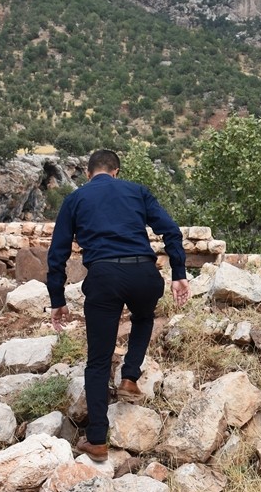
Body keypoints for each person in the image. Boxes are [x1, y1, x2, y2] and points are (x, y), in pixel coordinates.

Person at [47, 149, 190, 461]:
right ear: (116, 171)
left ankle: (96, 439)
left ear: (88, 173)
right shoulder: (137, 191)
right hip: (144, 273)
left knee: (98, 361)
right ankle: (129, 376)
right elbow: (171, 230)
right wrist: (178, 272)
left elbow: (57, 252)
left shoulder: (76, 199)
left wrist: (57, 299)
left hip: (104, 276)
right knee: (143, 318)